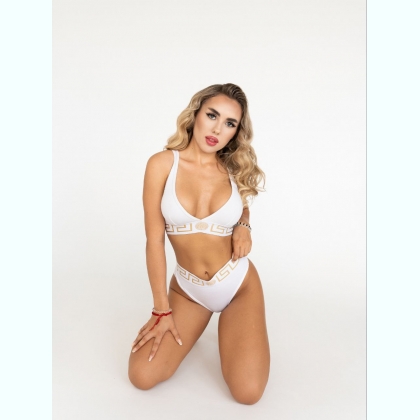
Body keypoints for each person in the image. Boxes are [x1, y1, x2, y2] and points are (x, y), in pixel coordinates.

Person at [128, 83, 270, 405]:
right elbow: (154, 240)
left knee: (247, 394)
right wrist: (161, 309)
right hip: (188, 291)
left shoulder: (233, 169)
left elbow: (241, 203)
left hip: (237, 285)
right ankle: (201, 327)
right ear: (196, 114)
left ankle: (237, 331)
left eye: (230, 123)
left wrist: (244, 223)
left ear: (235, 132)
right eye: (212, 115)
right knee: (141, 376)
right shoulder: (162, 164)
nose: (217, 129)